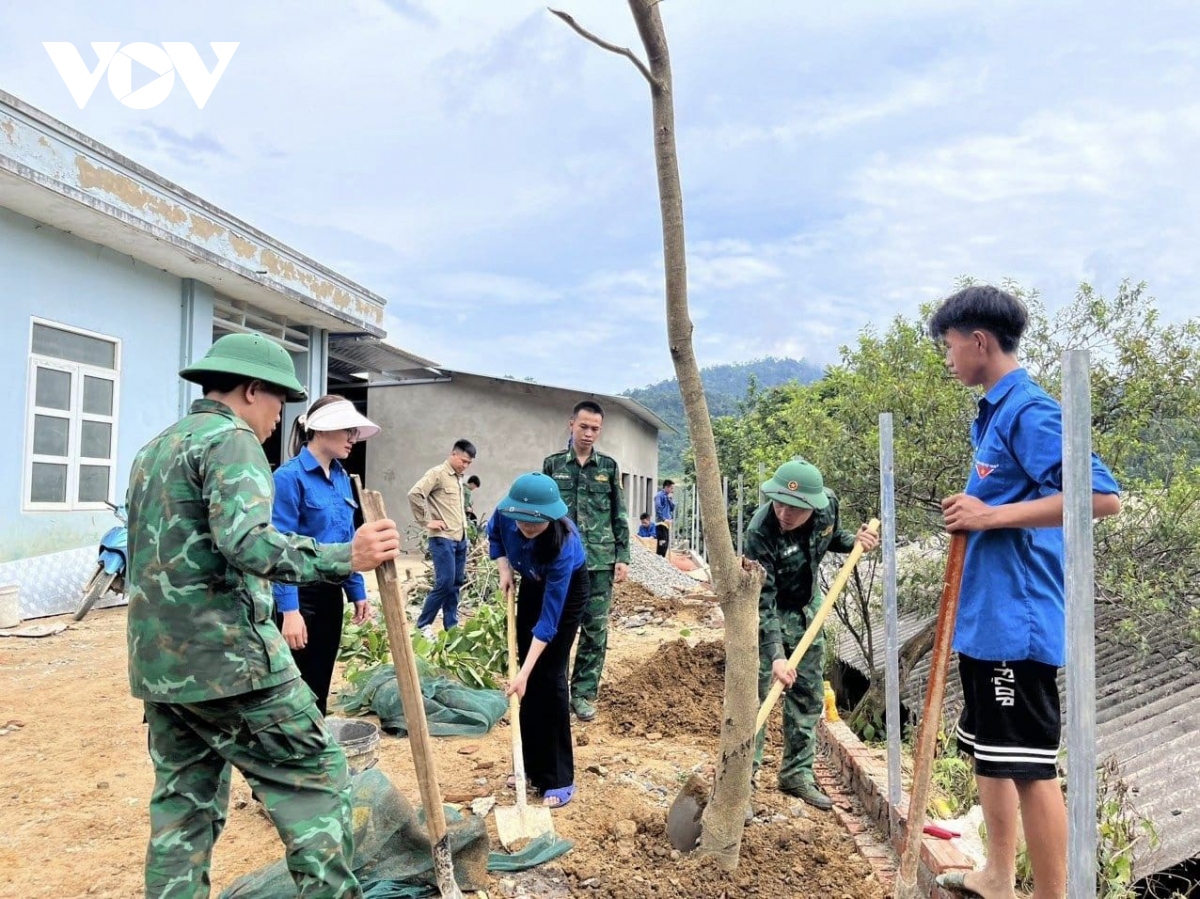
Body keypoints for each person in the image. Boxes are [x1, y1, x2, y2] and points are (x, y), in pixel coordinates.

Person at [125, 333, 400, 898]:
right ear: (252, 391)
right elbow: (248, 542)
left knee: (184, 811)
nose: (281, 417)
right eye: (280, 402)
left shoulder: (154, 449)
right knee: (318, 779)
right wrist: (345, 556)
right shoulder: (231, 442)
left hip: (162, 670)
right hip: (232, 663)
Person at [928, 285, 1121, 899]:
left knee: (1031, 766)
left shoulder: (1031, 411)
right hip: (986, 617)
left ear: (979, 342)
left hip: (1019, 620)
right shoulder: (992, 413)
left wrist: (989, 517)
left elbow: (1101, 499)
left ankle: (1051, 895)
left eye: (950, 347)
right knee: (992, 754)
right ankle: (997, 877)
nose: (949, 359)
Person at [745, 458, 878, 810]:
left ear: (813, 505)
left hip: (808, 609)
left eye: (795, 508)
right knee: (757, 698)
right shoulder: (760, 533)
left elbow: (832, 539)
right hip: (769, 612)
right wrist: (775, 655)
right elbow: (763, 602)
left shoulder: (826, 506)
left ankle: (796, 776)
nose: (785, 513)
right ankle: (741, 783)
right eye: (779, 503)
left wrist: (856, 541)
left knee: (806, 696)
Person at [272, 394, 382, 716]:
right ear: (321, 430)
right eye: (346, 430)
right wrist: (289, 611)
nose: (352, 439)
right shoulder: (288, 478)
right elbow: (280, 548)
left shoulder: (341, 479)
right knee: (294, 684)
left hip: (330, 595)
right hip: (300, 594)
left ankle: (314, 749)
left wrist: (356, 591)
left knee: (320, 680)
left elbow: (347, 540)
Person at [488, 472, 588, 809]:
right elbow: (495, 539)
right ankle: (528, 767)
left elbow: (548, 623)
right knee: (526, 684)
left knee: (549, 675)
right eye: (522, 522)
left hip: (566, 590)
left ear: (551, 516)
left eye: (536, 523)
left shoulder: (564, 545)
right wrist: (504, 569)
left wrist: (524, 672)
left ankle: (558, 777)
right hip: (530, 581)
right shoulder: (505, 515)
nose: (527, 528)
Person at [542, 400, 630, 722]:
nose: (589, 433)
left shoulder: (608, 467)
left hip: (600, 562)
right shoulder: (553, 466)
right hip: (561, 562)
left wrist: (623, 557)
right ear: (571, 424)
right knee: (560, 629)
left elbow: (619, 513)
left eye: (595, 428)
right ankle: (557, 692)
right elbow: (543, 514)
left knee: (595, 631)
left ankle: (583, 694)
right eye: (584, 426)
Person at [408, 439, 476, 640]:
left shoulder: (458, 478)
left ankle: (451, 628)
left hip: (459, 538)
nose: (465, 465)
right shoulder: (437, 473)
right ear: (453, 454)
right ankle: (423, 625)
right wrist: (427, 521)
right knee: (444, 582)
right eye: (463, 461)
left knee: (455, 583)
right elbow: (415, 494)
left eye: (468, 463)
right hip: (442, 538)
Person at [654, 479, 675, 557]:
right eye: (671, 488)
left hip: (667, 522)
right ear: (666, 487)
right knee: (662, 542)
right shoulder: (659, 495)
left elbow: (672, 508)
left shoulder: (668, 496)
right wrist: (664, 519)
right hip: (661, 523)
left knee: (666, 542)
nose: (672, 490)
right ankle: (659, 557)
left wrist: (670, 500)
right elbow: (658, 508)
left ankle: (662, 557)